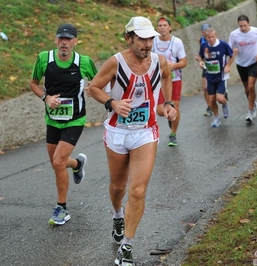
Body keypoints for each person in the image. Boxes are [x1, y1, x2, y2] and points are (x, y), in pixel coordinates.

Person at [87, 16, 177, 265]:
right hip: (117, 132)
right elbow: (93, 87)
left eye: (150, 39)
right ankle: (118, 214)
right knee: (118, 187)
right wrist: (112, 103)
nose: (147, 44)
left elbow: (168, 77)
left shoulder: (159, 61)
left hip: (145, 132)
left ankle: (127, 246)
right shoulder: (115, 63)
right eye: (142, 39)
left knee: (137, 190)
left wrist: (167, 104)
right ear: (128, 38)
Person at [29, 23, 97, 226]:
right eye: (61, 38)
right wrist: (46, 98)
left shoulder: (83, 62)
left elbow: (99, 81)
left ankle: (62, 209)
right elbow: (33, 83)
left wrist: (93, 88)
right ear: (56, 40)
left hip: (75, 119)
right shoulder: (44, 59)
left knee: (58, 162)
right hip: (52, 119)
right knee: (57, 163)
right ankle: (77, 164)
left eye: (69, 39)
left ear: (75, 41)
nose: (64, 42)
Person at [152, 16, 187, 146]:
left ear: (170, 28)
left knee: (175, 107)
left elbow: (184, 61)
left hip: (174, 79)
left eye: (164, 25)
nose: (162, 28)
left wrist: (173, 65)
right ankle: (169, 117)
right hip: (158, 82)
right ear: (157, 28)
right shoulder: (152, 41)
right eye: (160, 26)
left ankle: (173, 134)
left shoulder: (176, 42)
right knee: (161, 111)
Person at [228, 15, 257, 124]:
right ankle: (252, 103)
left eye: (244, 25)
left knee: (250, 86)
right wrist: (233, 52)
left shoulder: (256, 32)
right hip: (241, 64)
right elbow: (229, 49)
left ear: (249, 23)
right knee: (246, 88)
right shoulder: (234, 34)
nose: (243, 28)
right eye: (241, 26)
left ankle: (250, 111)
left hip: (253, 62)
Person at [198, 28, 236, 128]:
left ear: (216, 36)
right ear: (205, 38)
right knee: (211, 99)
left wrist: (228, 65)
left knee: (219, 98)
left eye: (213, 37)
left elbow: (231, 55)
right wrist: (201, 62)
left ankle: (225, 104)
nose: (211, 39)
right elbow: (201, 57)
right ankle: (217, 118)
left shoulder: (223, 45)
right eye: (208, 37)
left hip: (222, 76)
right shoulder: (204, 46)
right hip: (210, 76)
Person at [195, 23, 213, 116]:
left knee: (214, 87)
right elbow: (201, 53)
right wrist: (200, 59)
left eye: (205, 31)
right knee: (205, 87)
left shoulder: (213, 38)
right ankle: (209, 107)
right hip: (206, 65)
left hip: (214, 64)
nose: (204, 33)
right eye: (202, 31)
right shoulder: (201, 40)